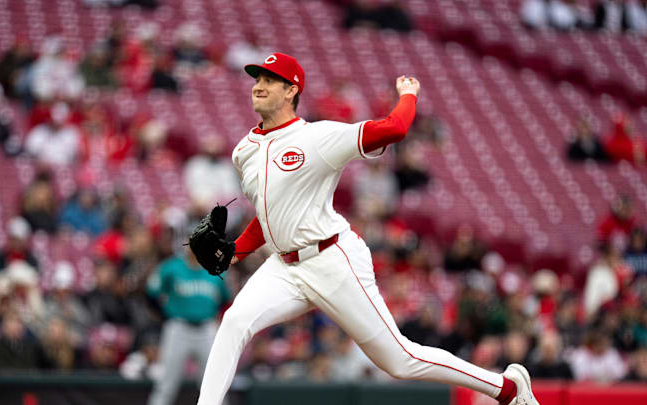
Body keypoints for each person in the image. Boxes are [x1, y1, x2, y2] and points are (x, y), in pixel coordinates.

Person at [196, 53, 539, 405]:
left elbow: (394, 129)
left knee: (400, 360)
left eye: (269, 80)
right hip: (284, 267)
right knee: (235, 321)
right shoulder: (244, 151)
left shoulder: (318, 137)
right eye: (257, 79)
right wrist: (236, 251)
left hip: (331, 258)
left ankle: (507, 388)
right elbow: (270, 215)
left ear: (291, 90)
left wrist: (408, 95)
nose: (259, 86)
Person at [146, 249, 230, 405]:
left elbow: (225, 299)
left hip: (206, 329)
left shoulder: (216, 269)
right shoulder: (172, 267)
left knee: (214, 384)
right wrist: (165, 316)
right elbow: (151, 293)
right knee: (165, 384)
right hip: (178, 327)